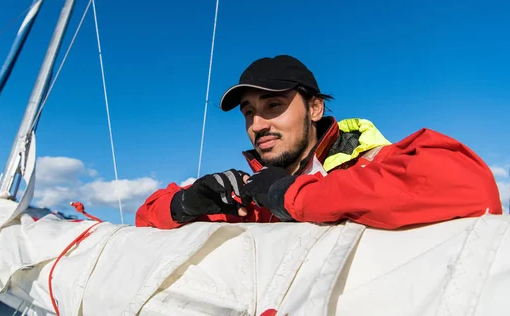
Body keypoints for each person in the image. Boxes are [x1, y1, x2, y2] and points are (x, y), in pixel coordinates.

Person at [135, 55, 502, 230]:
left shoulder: (369, 161)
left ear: (314, 108)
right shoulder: (250, 191)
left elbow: (470, 186)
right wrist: (187, 203)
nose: (257, 124)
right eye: (248, 112)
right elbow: (144, 217)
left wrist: (290, 196)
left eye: (274, 106)